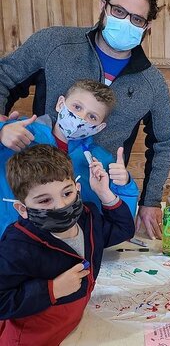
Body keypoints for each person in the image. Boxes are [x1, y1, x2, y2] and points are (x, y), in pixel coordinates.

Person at [0, 0, 170, 240]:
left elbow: (163, 141)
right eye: (119, 10)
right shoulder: (54, 44)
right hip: (35, 187)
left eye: (137, 19)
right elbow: (5, 77)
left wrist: (150, 201)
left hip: (96, 195)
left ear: (147, 26)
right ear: (103, 6)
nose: (126, 22)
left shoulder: (152, 84)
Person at [0, 144, 135, 345]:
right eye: (44, 200)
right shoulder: (16, 247)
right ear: (22, 209)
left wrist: (104, 193)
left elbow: (124, 229)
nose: (61, 206)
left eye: (67, 193)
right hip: (32, 337)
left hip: (74, 326)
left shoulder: (87, 217)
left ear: (77, 189)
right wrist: (52, 289)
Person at [0, 79, 139, 237]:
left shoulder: (100, 160)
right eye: (77, 107)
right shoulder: (21, 133)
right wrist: (1, 132)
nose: (81, 118)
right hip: (9, 242)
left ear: (100, 127)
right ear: (61, 104)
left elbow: (123, 223)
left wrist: (124, 185)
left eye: (92, 117)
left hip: (68, 247)